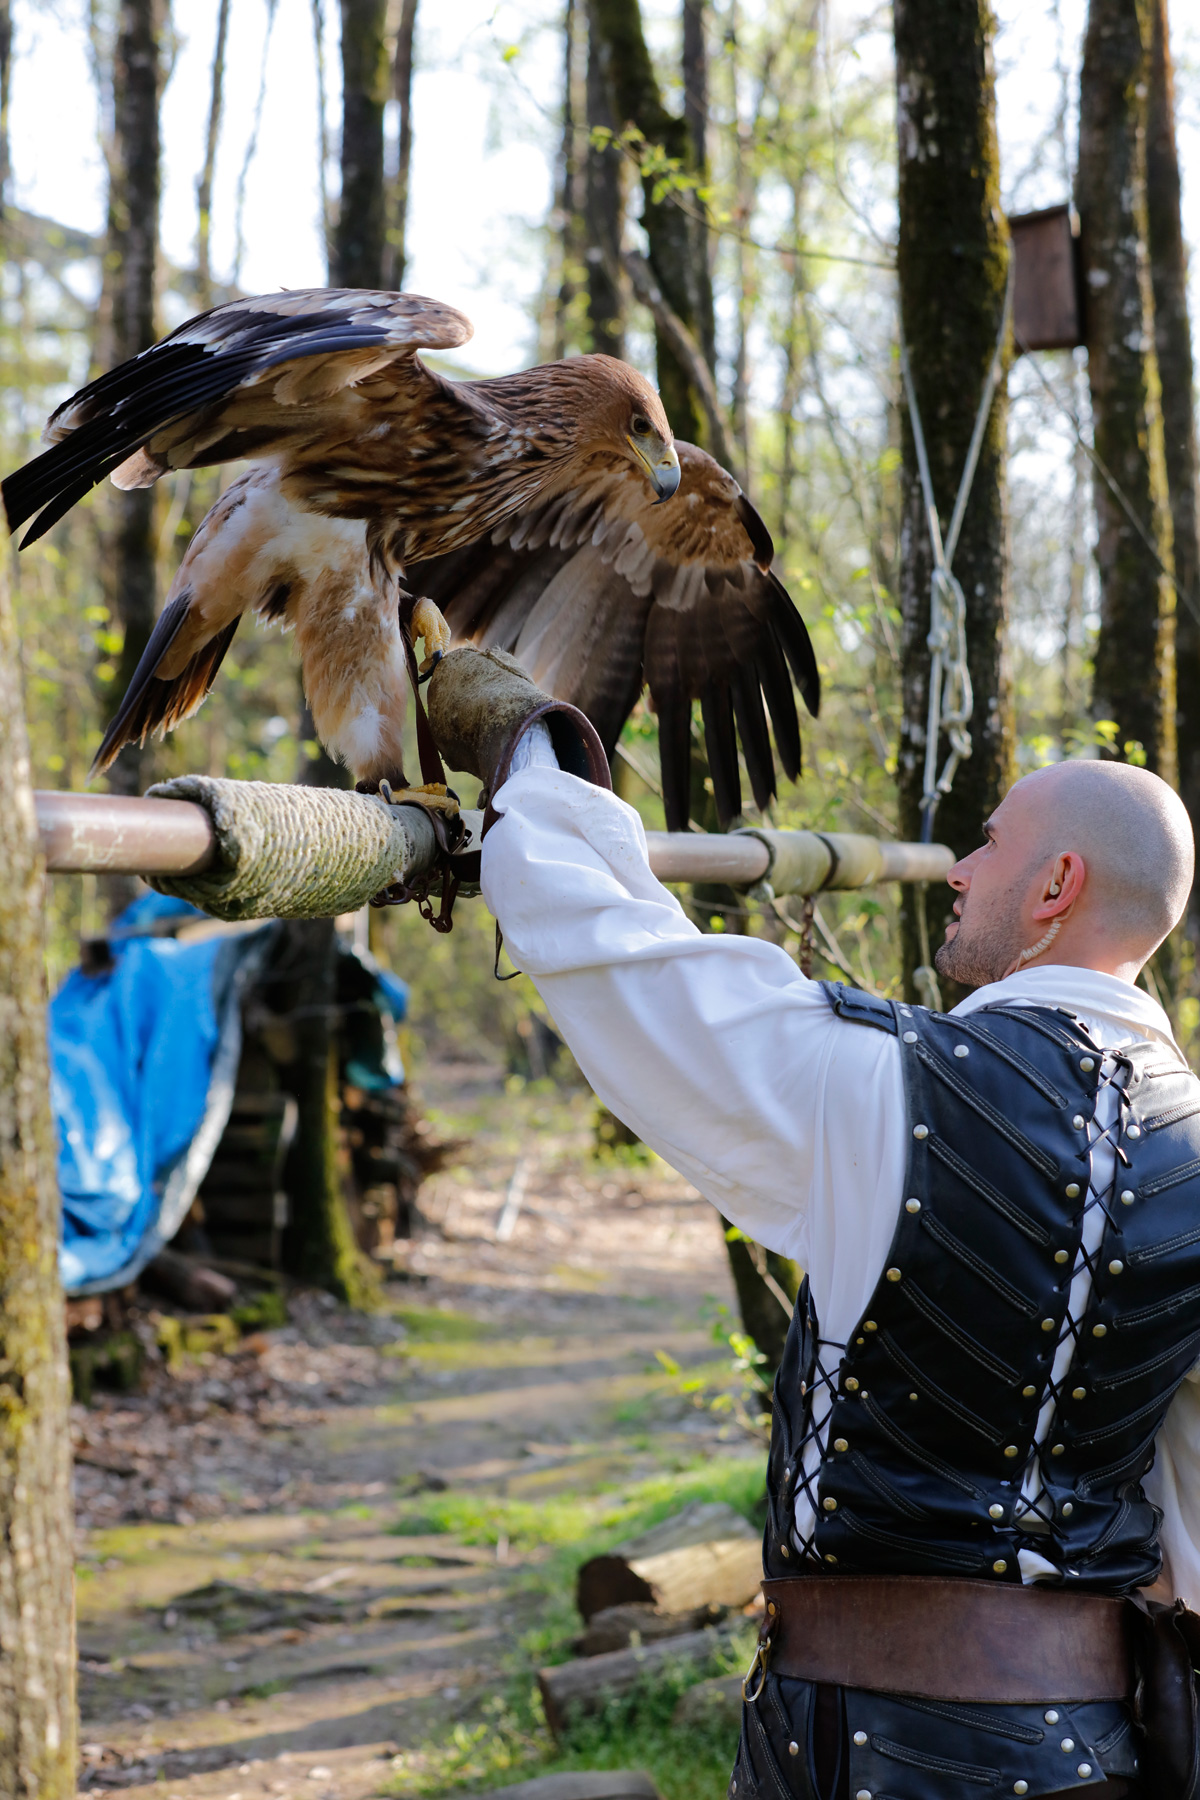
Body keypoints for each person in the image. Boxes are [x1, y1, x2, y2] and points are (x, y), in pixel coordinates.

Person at [428, 647, 1200, 1800]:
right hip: (1097, 1754)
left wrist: (531, 756)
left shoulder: (898, 1088)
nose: (958, 871)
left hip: (868, 1752)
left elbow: (632, 969)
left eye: (987, 845)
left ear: (1056, 887)